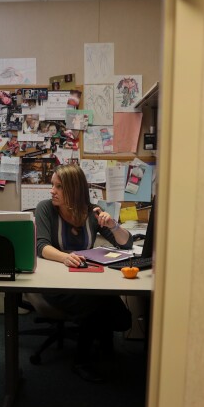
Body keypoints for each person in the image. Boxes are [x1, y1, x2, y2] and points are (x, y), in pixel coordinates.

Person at [31, 163, 134, 381]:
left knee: (123, 320)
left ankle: (100, 344)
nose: (52, 191)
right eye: (53, 185)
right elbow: (41, 246)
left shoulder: (91, 212)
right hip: (56, 282)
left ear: (74, 190)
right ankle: (81, 360)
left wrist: (114, 226)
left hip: (86, 278)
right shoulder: (46, 208)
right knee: (95, 305)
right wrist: (65, 257)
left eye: (58, 187)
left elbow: (125, 244)